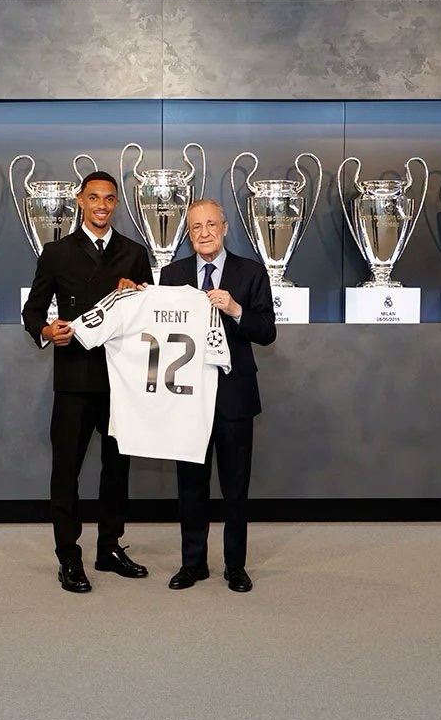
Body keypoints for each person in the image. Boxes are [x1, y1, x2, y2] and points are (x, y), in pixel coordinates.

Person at [22, 169, 154, 594]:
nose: (102, 205)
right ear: (80, 201)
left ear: (116, 204)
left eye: (109, 199)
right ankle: (68, 556)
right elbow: (32, 311)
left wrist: (136, 293)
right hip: (74, 378)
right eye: (94, 197)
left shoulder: (134, 252)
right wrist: (47, 331)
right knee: (67, 472)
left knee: (117, 469)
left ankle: (109, 548)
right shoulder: (56, 252)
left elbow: (150, 315)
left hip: (120, 378)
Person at [159, 199, 276, 592]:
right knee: (190, 485)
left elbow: (267, 331)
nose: (204, 232)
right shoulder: (172, 275)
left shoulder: (251, 272)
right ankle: (192, 564)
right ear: (188, 234)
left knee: (235, 486)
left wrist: (237, 309)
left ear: (225, 228)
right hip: (187, 396)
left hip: (234, 396)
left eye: (211, 224)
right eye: (196, 227)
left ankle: (235, 565)